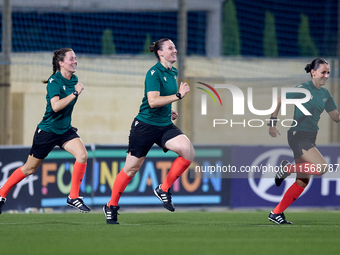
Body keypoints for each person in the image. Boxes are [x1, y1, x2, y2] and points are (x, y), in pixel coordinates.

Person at [103, 38, 195, 224]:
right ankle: (111, 206)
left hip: (163, 125)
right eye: (170, 48)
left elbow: (162, 100)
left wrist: (169, 110)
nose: (174, 50)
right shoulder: (153, 73)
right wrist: (178, 96)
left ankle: (163, 189)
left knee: (188, 151)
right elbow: (152, 101)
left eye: (175, 47)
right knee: (131, 169)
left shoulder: (172, 71)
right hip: (144, 126)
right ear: (160, 53)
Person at [0, 48, 91, 214]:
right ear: (61, 63)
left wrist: (74, 90)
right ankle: (1, 194)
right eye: (71, 59)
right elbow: (56, 107)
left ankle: (73, 197)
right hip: (47, 131)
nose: (75, 61)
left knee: (83, 155)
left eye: (75, 58)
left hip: (64, 130)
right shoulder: (54, 81)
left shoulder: (74, 79)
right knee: (29, 169)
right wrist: (75, 92)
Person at [267, 57, 339, 224]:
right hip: (298, 135)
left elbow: (335, 117)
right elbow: (279, 100)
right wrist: (272, 124)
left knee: (302, 181)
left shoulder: (326, 94)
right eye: (323, 72)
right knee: (322, 167)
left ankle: (276, 213)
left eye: (328, 73)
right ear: (313, 72)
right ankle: (287, 168)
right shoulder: (303, 89)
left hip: (310, 137)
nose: (326, 76)